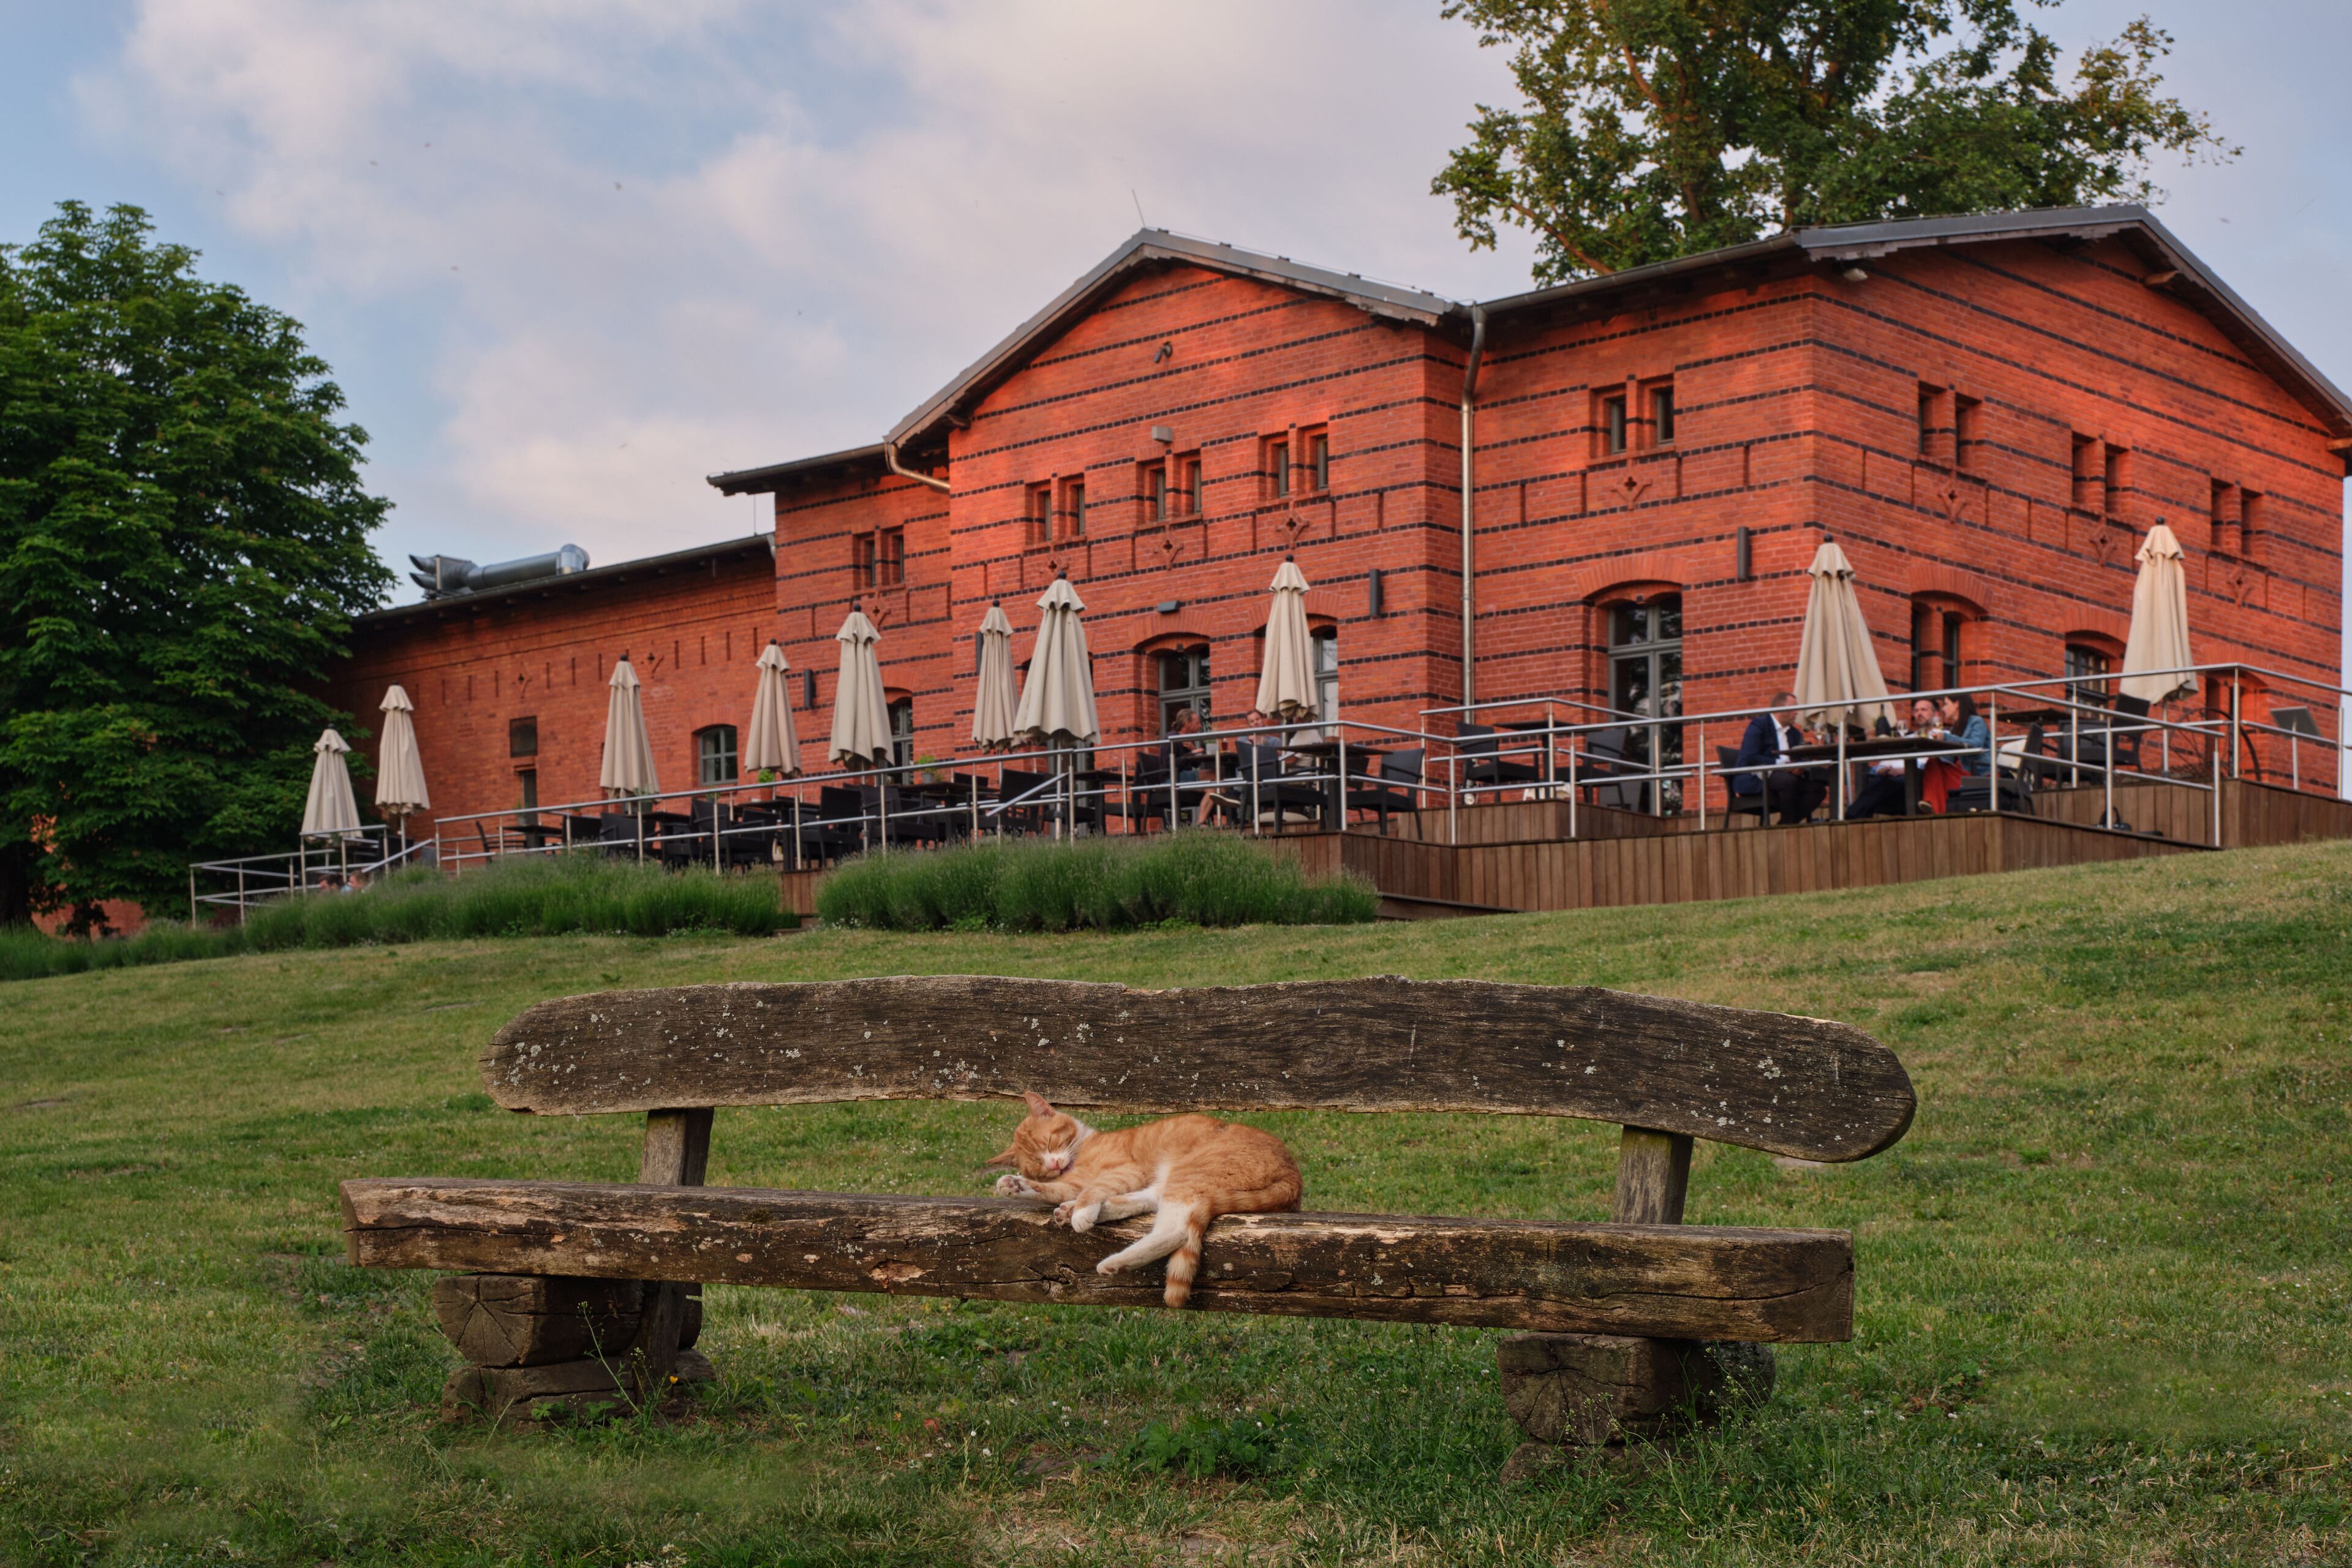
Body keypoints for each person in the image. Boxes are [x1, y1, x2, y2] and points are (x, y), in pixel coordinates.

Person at [1732, 692, 1828, 824]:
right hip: (1758, 776)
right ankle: (1788, 826)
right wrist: (1783, 765)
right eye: (1794, 708)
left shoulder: (1794, 733)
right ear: (1780, 709)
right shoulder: (1759, 726)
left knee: (1818, 790)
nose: (1797, 713)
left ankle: (1786, 824)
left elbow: (1799, 757)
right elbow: (1750, 757)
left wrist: (1799, 767)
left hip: (1787, 778)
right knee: (1788, 782)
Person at [1844, 697, 1940, 818]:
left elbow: (1934, 766)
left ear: (1935, 714)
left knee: (1883, 785)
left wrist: (1903, 771)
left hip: (1915, 779)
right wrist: (1881, 770)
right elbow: (1880, 766)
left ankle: (1851, 816)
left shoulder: (1940, 736)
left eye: (1924, 710)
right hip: (1891, 778)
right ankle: (1855, 817)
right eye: (1916, 711)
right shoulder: (1907, 739)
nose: (1919, 714)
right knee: (1878, 782)